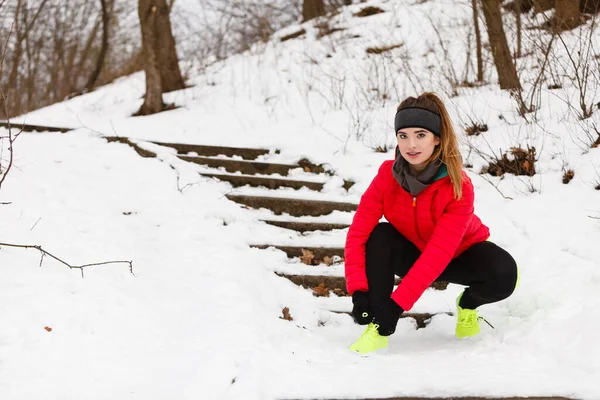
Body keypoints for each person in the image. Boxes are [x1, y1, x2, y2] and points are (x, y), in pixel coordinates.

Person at [344, 92, 519, 354]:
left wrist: (397, 306)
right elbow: (358, 234)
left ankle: (468, 304)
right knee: (380, 235)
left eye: (420, 135)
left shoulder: (458, 185)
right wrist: (359, 292)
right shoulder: (386, 176)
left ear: (437, 138)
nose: (411, 144)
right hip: (413, 250)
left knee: (505, 273)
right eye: (403, 135)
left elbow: (438, 254)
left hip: (458, 254)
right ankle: (377, 328)